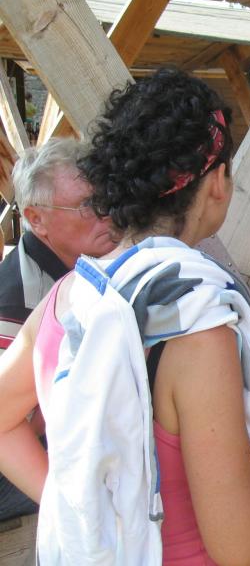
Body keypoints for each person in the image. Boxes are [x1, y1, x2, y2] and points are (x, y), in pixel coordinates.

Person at [0, 68, 250, 563]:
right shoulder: (198, 328)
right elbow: (238, 549)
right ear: (217, 182)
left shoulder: (71, 293)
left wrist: (82, 512)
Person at [0, 138, 117, 522]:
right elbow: (14, 422)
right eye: (88, 205)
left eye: (108, 199)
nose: (107, 215)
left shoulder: (76, 265)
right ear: (36, 219)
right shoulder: (15, 300)